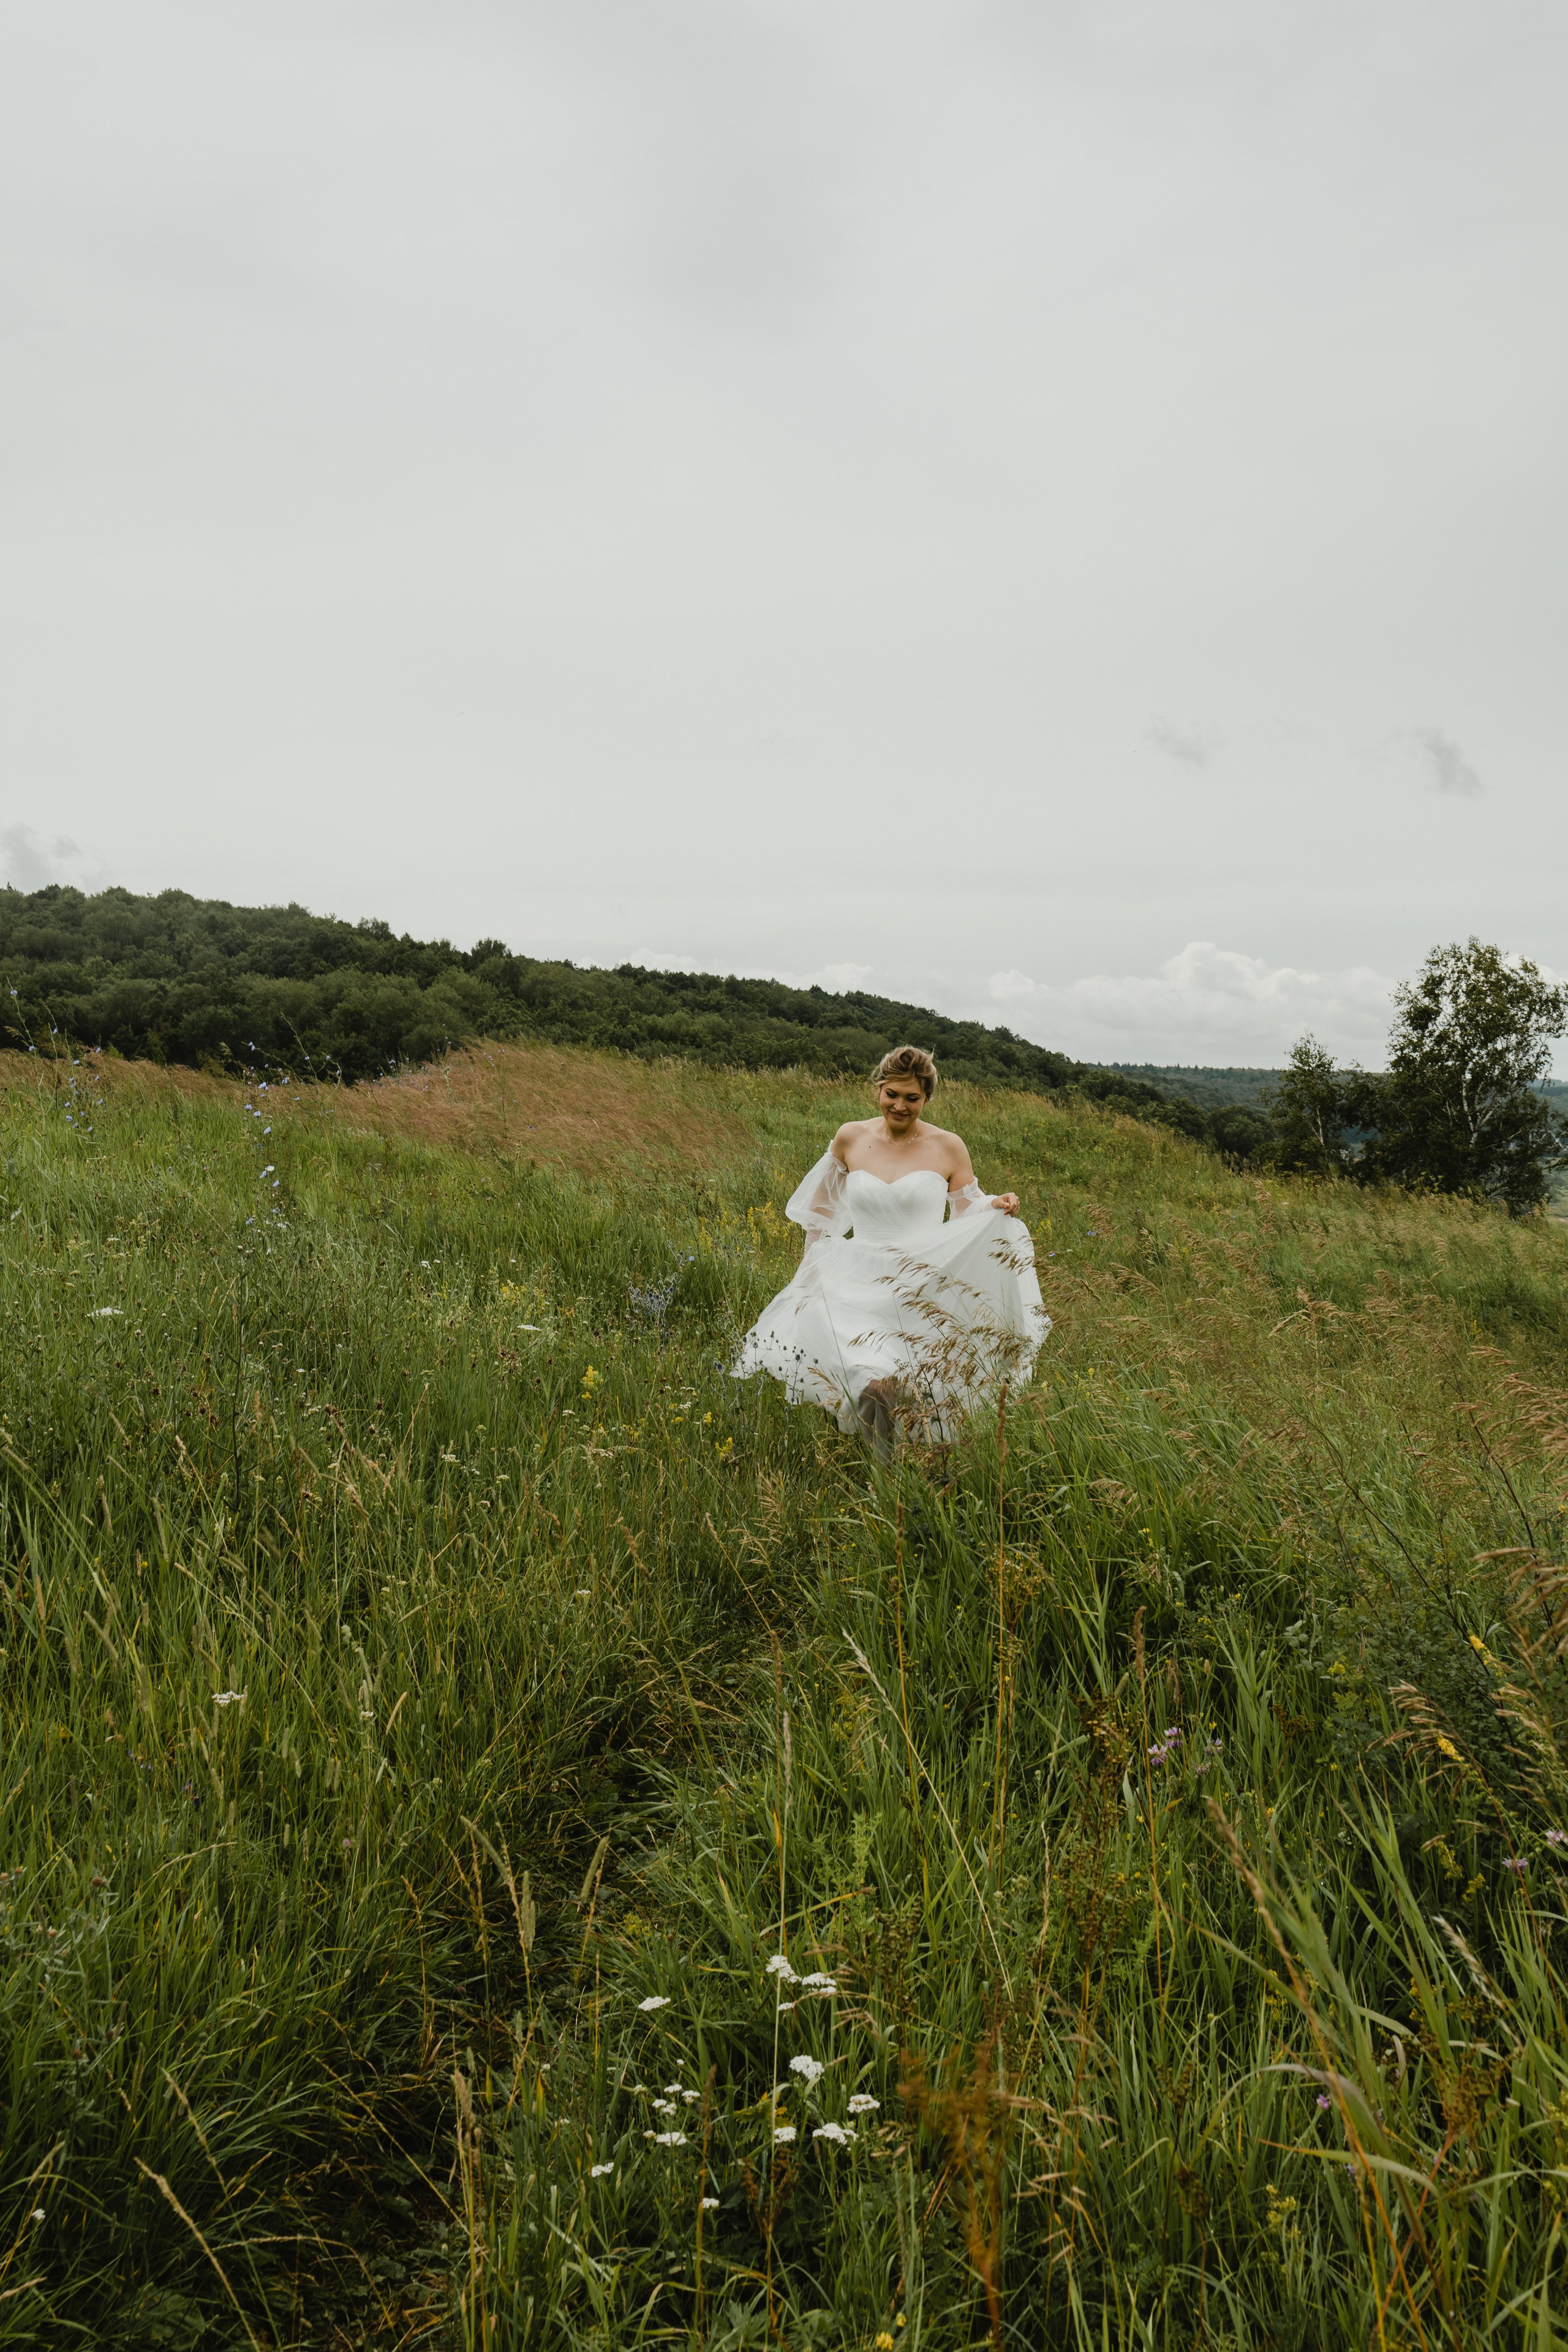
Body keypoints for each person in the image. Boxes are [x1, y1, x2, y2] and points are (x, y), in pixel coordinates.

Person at [733, 1045, 1050, 1453]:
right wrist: (808, 1279)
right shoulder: (851, 1137)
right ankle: (885, 1477)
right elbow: (820, 1217)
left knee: (920, 1389)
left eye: (912, 1098)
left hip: (922, 1285)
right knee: (874, 1384)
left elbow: (968, 1207)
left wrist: (996, 1204)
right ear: (879, 1089)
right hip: (855, 1283)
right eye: (892, 1095)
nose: (900, 1106)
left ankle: (911, 1470)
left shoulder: (949, 1146)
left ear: (927, 1099)